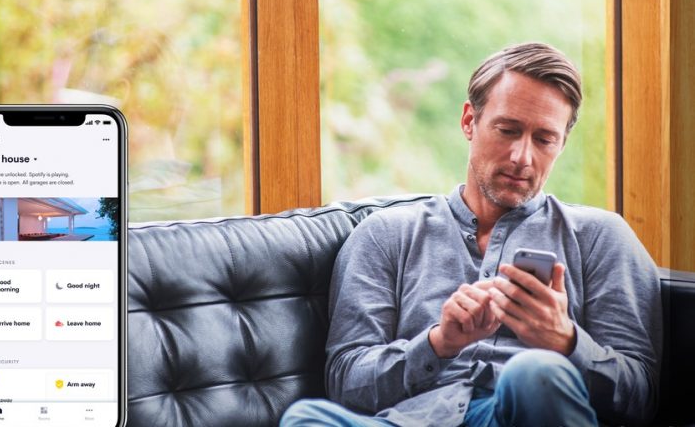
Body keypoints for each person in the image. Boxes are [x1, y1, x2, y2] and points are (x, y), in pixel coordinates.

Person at [280, 42, 661, 427]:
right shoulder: (385, 235)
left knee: (534, 373)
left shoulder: (601, 238)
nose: (522, 157)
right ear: (469, 121)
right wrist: (438, 343)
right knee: (304, 419)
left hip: (526, 414)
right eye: (508, 130)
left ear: (562, 143)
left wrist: (565, 340)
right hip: (414, 421)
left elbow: (640, 394)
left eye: (544, 139)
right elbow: (346, 383)